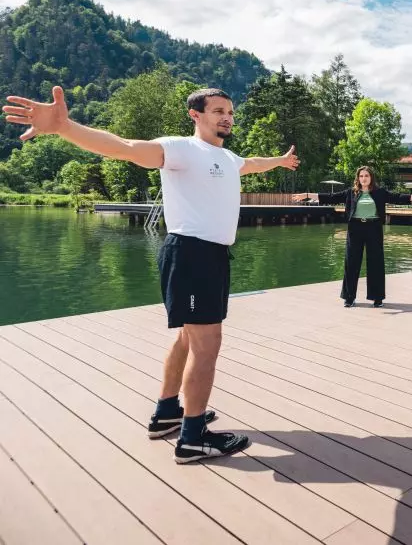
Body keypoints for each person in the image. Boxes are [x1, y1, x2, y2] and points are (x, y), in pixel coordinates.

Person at [3, 86, 299, 462]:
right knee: (207, 344)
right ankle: (193, 438)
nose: (227, 116)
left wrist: (280, 161)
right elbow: (124, 147)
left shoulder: (227, 157)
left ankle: (167, 413)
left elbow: (254, 162)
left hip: (210, 257)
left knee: (189, 340)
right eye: (218, 110)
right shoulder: (179, 148)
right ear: (195, 115)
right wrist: (65, 127)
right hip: (192, 255)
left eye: (230, 111)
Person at [292, 167, 412, 307]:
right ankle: (349, 297)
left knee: (376, 263)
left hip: (373, 228)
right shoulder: (351, 193)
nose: (364, 178)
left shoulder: (379, 192)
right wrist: (307, 194)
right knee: (351, 263)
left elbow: (398, 197)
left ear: (371, 178)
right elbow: (330, 197)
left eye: (367, 176)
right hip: (355, 229)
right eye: (361, 176)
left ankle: (377, 298)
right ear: (358, 178)